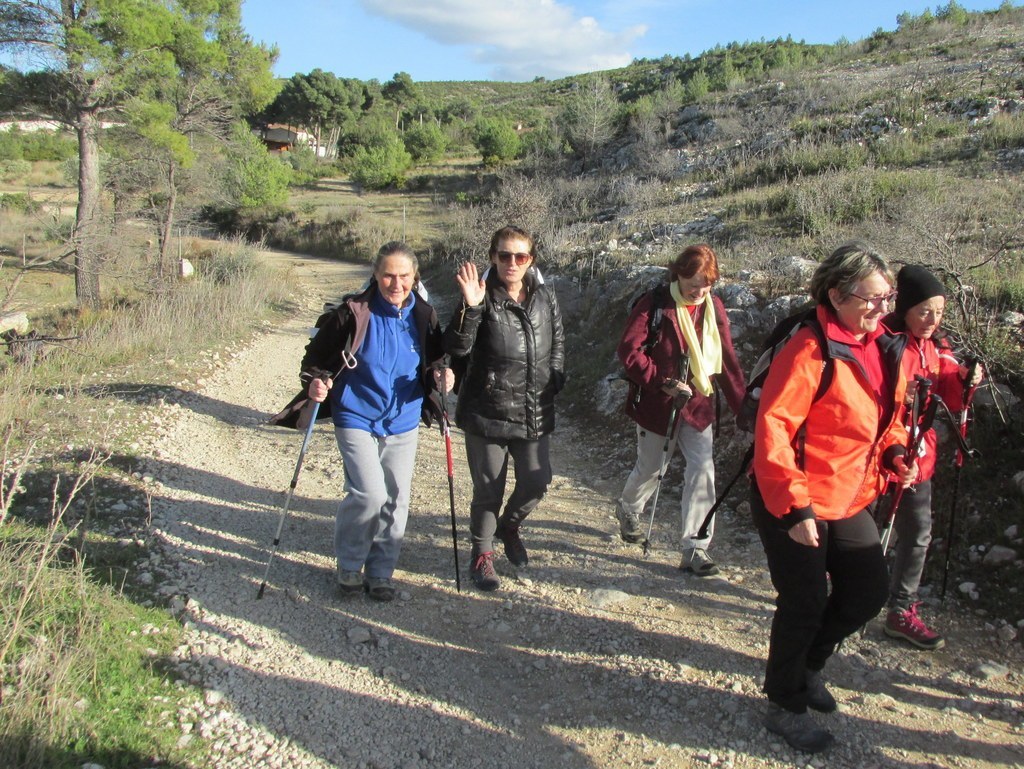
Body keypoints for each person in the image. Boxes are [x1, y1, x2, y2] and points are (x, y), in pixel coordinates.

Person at [750, 242, 918, 753]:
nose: (882, 308)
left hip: (848, 493)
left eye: (886, 297)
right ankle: (785, 702)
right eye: (871, 299)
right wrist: (794, 507)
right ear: (837, 295)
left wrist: (894, 456)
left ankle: (810, 665)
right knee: (804, 600)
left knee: (868, 592)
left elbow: (888, 422)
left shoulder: (886, 345)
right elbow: (774, 429)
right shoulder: (809, 348)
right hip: (794, 493)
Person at [305, 241, 452, 602]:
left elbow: (437, 359)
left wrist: (442, 375)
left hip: (403, 419)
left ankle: (381, 572)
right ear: (375, 274)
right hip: (355, 414)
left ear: (414, 277)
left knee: (397, 498)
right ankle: (350, 565)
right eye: (388, 275)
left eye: (403, 276)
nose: (396, 283)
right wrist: (317, 381)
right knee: (369, 493)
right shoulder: (353, 312)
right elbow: (316, 358)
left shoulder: (423, 314)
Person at [443, 225, 565, 592]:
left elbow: (557, 340)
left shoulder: (545, 296)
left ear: (531, 259)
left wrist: (556, 379)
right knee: (487, 491)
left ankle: (510, 525)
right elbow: (458, 347)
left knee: (536, 481)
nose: (512, 263)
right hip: (487, 410)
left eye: (521, 256)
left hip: (533, 410)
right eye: (505, 255)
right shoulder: (480, 296)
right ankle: (482, 555)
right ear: (493, 256)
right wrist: (471, 306)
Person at [615, 244, 745, 576]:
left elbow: (727, 360)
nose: (699, 289)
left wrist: (744, 408)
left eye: (706, 283)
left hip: (698, 404)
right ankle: (629, 509)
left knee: (702, 471)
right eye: (693, 281)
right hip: (659, 406)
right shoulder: (656, 304)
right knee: (651, 469)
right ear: (679, 274)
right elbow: (629, 351)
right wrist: (663, 381)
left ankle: (695, 548)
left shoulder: (713, 307)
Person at [881, 265, 983, 650]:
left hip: (915, 454)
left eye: (939, 312)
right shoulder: (882, 339)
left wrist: (966, 378)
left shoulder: (933, 346)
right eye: (924, 310)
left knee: (918, 531)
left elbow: (950, 383)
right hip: (873, 451)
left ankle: (901, 609)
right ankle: (839, 591)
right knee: (852, 527)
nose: (932, 319)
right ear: (904, 307)